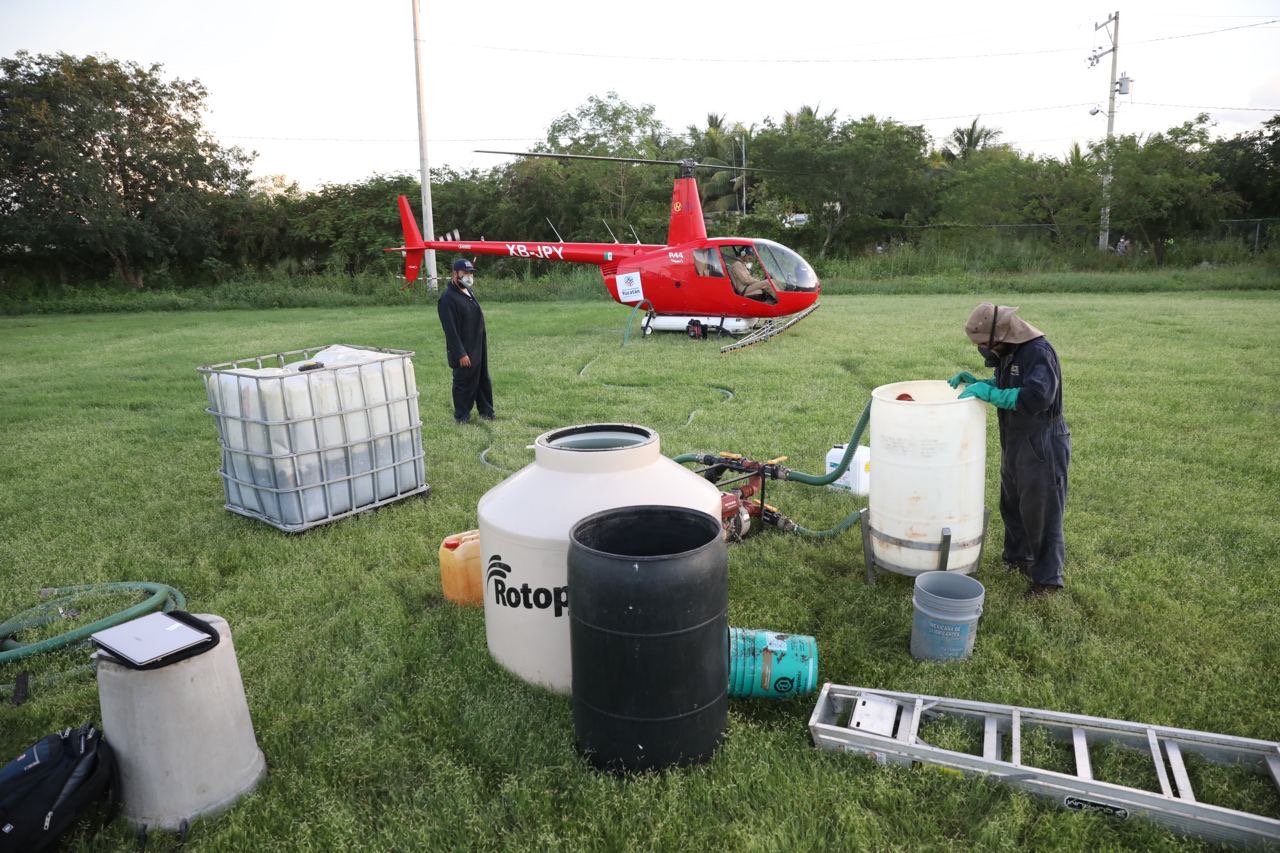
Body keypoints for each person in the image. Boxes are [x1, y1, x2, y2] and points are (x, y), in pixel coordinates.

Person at [947, 303, 1070, 597]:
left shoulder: (1038, 352)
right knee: (1012, 504)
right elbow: (1009, 383)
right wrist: (981, 383)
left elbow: (1037, 396)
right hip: (1014, 438)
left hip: (1042, 441)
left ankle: (1047, 580)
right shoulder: (1009, 352)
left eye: (983, 345)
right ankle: (1018, 558)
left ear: (1001, 336)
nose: (982, 351)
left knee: (1041, 511)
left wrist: (989, 394)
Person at [437, 258, 494, 424]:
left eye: (471, 273)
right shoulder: (447, 298)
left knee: (482, 379)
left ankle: (487, 412)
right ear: (455, 274)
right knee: (464, 381)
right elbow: (450, 330)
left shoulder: (468, 291)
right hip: (463, 348)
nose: (468, 276)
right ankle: (462, 416)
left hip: (477, 344)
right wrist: (461, 353)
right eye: (465, 273)